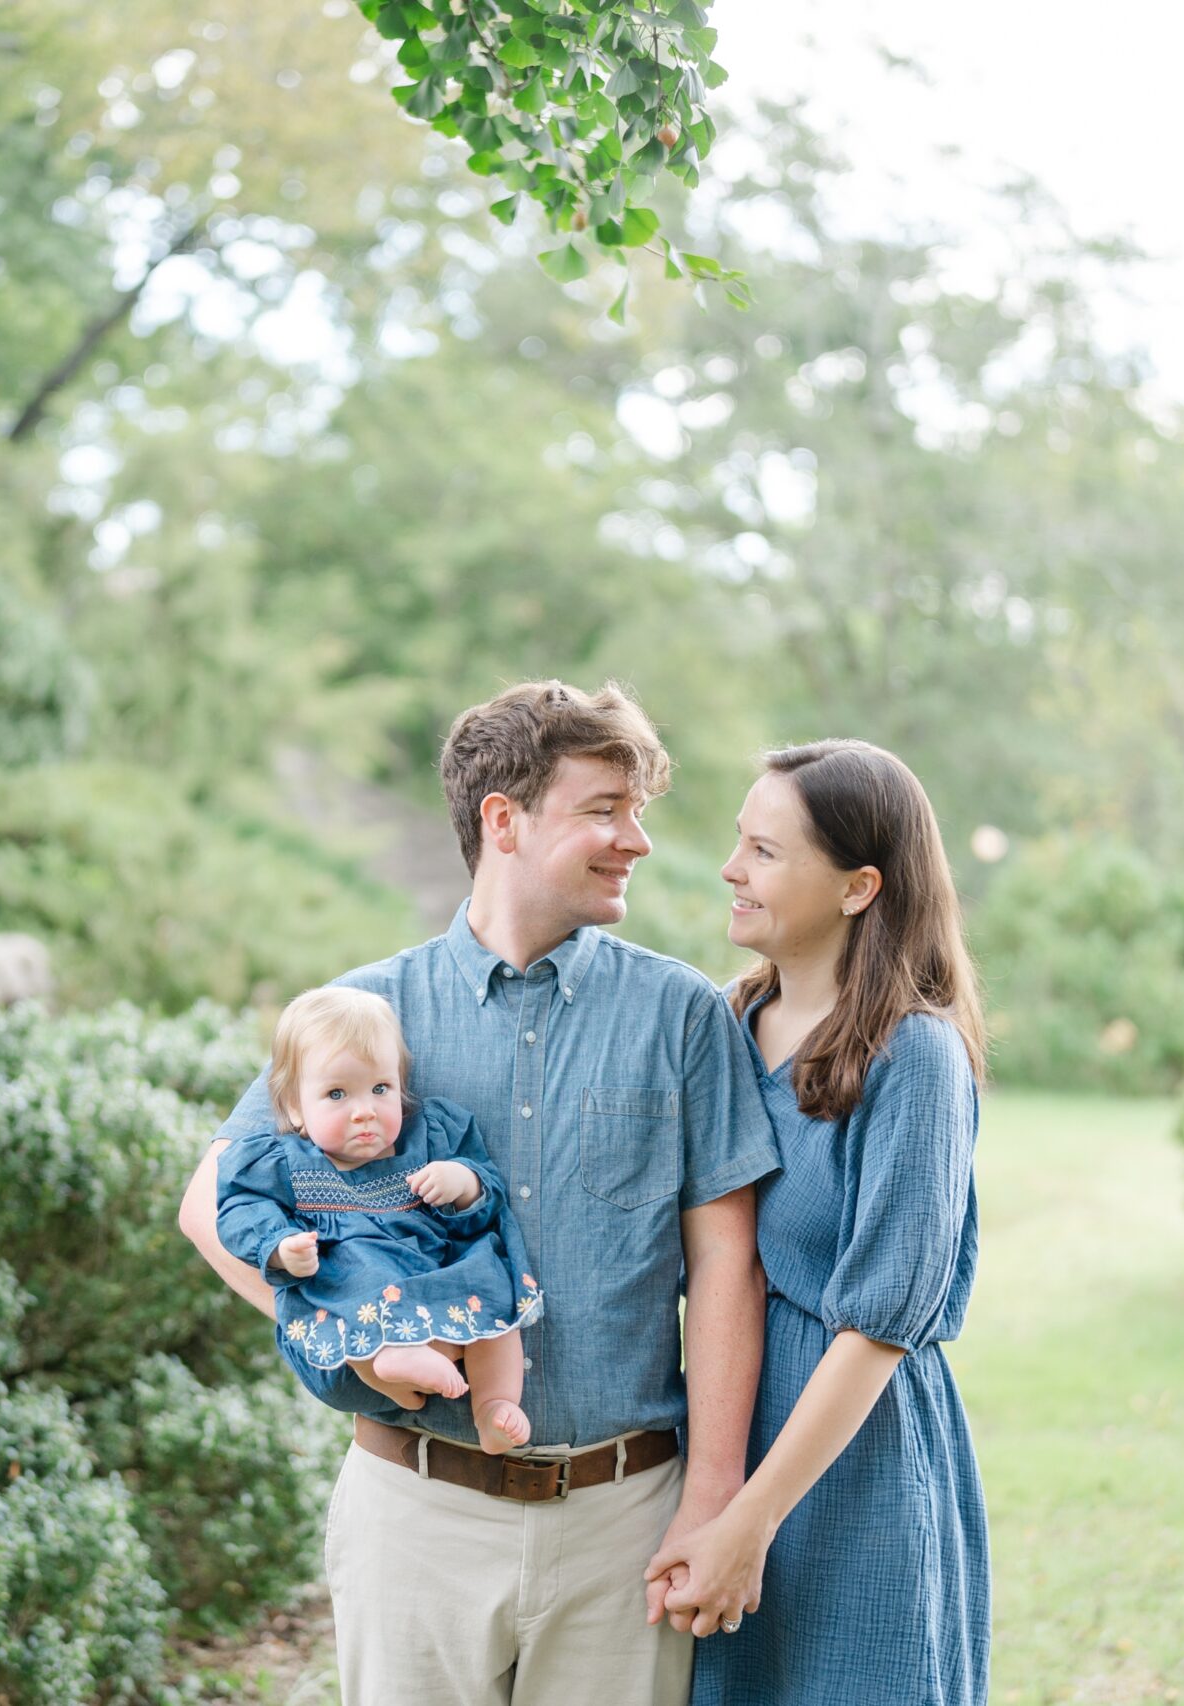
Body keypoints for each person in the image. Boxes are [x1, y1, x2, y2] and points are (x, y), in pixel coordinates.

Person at [180, 679, 778, 1706]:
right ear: (503, 818)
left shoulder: (679, 1012)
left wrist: (714, 1497)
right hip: (414, 1513)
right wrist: (350, 1333)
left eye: (638, 811)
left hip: (622, 1516)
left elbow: (728, 1261)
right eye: (604, 807)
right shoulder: (369, 1010)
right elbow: (209, 1203)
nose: (635, 838)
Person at [649, 739, 990, 1705]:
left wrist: (749, 1523)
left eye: (765, 850)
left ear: (857, 887)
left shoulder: (915, 1058)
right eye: (737, 842)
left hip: (853, 1462)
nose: (730, 869)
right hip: (725, 1428)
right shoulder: (725, 1022)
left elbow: (880, 1329)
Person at [215, 987, 542, 1454]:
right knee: (357, 1266)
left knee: (491, 1279)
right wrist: (280, 1244)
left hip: (437, 1291)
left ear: (401, 1086)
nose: (364, 1109)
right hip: (346, 1322)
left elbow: (486, 1201)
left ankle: (493, 1406)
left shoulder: (430, 1138)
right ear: (293, 1107)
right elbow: (240, 1207)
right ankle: (386, 1355)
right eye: (336, 1094)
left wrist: (462, 1181)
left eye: (380, 1089)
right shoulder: (284, 1163)